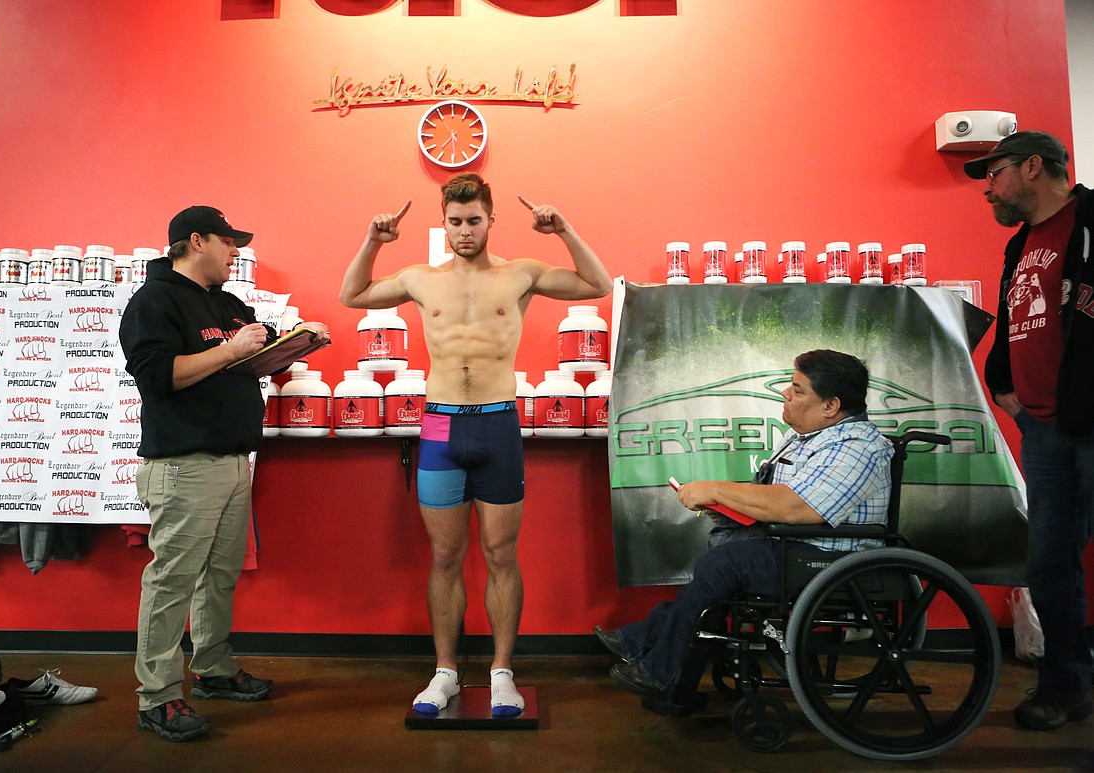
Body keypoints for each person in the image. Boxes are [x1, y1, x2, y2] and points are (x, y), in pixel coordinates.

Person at [339, 173, 612, 717]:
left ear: (490, 221)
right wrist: (374, 240)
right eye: (456, 222)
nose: (465, 231)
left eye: (474, 221)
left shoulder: (520, 275)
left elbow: (596, 283)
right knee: (444, 555)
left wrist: (564, 229)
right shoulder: (420, 278)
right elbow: (352, 295)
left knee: (501, 553)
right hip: (440, 423)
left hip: (498, 423)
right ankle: (445, 674)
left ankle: (502, 673)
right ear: (443, 224)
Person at [119, 205, 330, 742]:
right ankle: (157, 698)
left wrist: (294, 345)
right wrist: (230, 348)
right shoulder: (154, 301)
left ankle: (211, 669)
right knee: (171, 583)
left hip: (235, 461)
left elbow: (249, 361)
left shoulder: (227, 303)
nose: (236, 251)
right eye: (228, 241)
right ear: (196, 240)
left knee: (219, 576)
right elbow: (159, 377)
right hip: (184, 465)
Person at [595, 350, 893, 704]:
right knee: (724, 557)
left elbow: (797, 507)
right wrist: (726, 508)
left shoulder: (857, 447)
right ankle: (655, 658)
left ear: (830, 406)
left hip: (832, 559)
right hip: (795, 545)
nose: (786, 393)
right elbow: (769, 496)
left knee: (727, 564)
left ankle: (658, 667)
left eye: (798, 390)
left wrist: (717, 489)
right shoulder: (807, 438)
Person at [963, 130, 1094, 731]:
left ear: (1033, 167)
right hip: (1045, 434)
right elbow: (1019, 315)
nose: (989, 189)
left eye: (995, 174)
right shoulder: (1024, 244)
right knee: (1047, 565)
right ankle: (1066, 687)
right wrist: (1001, 381)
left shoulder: (1091, 223)